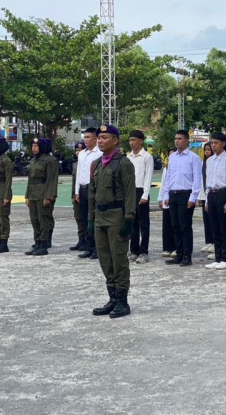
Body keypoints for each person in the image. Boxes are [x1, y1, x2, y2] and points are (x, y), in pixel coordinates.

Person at [88, 124, 137, 319]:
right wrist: (91, 219)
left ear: (115, 141)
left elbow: (130, 193)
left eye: (105, 137)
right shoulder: (97, 164)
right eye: (99, 137)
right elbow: (92, 194)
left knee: (119, 259)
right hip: (100, 217)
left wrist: (129, 219)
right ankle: (112, 299)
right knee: (105, 259)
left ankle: (122, 302)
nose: (100, 140)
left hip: (117, 216)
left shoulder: (123, 163)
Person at [160, 130, 203, 266]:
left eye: (179, 138)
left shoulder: (193, 158)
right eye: (175, 138)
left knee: (185, 226)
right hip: (173, 193)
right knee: (175, 226)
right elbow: (168, 177)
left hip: (185, 194)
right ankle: (179, 254)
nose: (176, 141)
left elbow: (197, 178)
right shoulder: (172, 157)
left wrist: (193, 197)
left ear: (186, 140)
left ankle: (187, 256)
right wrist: (166, 194)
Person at [204, 132, 226, 270]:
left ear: (223, 144)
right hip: (211, 194)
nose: (213, 146)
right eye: (212, 143)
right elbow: (208, 181)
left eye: (216, 143)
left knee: (224, 227)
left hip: (222, 194)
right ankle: (217, 257)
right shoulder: (210, 160)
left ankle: (225, 258)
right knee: (214, 228)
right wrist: (207, 199)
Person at [24, 137, 58, 256]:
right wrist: (27, 195)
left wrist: (48, 196)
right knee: (35, 220)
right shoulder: (33, 161)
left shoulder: (49, 160)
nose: (34, 148)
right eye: (32, 146)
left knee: (43, 219)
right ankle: (37, 243)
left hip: (43, 193)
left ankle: (43, 244)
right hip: (33, 193)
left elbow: (51, 180)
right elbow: (30, 180)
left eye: (36, 146)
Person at [127, 130, 154, 264]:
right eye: (130, 140)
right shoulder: (128, 157)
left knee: (143, 224)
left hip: (141, 191)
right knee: (133, 223)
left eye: (134, 140)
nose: (132, 143)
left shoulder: (146, 157)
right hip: (130, 192)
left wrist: (145, 194)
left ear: (141, 141)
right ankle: (134, 250)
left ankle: (144, 252)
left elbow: (148, 177)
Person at [75, 128, 101, 259]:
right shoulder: (82, 154)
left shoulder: (99, 153)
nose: (85, 139)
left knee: (94, 218)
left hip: (94, 188)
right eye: (84, 137)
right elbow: (79, 172)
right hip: (83, 188)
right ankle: (88, 246)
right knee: (84, 218)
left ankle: (97, 248)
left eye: (88, 137)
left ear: (95, 139)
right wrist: (76, 191)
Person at [39, 138, 59, 249]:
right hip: (38, 193)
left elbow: (52, 179)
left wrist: (50, 195)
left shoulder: (51, 160)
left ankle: (47, 239)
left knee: (46, 217)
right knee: (40, 218)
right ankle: (42, 239)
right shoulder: (38, 159)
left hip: (47, 193)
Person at [159, 148, 178, 258]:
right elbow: (163, 184)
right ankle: (167, 247)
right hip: (166, 199)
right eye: (169, 155)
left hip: (175, 198)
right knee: (166, 225)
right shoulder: (167, 169)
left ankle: (176, 247)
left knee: (175, 224)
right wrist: (160, 198)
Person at [69, 141, 86, 251]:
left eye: (80, 150)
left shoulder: (88, 162)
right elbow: (74, 181)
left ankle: (87, 241)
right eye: (77, 150)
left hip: (85, 194)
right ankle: (81, 240)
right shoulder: (75, 165)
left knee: (85, 218)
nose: (78, 152)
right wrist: (73, 195)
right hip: (76, 195)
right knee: (78, 218)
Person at [199, 143, 214, 256]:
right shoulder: (203, 163)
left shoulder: (213, 162)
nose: (207, 152)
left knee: (212, 220)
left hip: (212, 194)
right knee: (206, 220)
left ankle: (214, 242)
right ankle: (208, 241)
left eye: (209, 150)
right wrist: (200, 197)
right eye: (206, 150)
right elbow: (201, 180)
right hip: (204, 195)